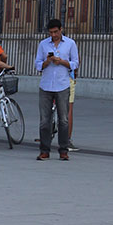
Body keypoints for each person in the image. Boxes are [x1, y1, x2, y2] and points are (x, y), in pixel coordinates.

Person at [34, 18, 79, 161]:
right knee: (44, 120)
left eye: (56, 32)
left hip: (62, 84)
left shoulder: (70, 44)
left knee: (63, 119)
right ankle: (44, 150)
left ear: (61, 30)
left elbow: (75, 63)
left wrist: (62, 62)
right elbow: (37, 64)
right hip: (46, 85)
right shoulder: (43, 44)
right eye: (51, 32)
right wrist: (47, 62)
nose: (53, 35)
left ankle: (63, 150)